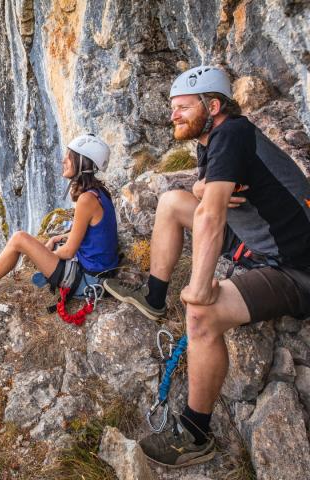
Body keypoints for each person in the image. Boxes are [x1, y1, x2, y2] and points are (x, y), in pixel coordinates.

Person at [103, 65, 310, 468]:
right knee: (171, 202)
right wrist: (200, 187)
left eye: (182, 108)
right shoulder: (213, 139)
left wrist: (199, 288)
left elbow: (211, 217)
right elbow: (207, 191)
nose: (173, 115)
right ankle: (154, 295)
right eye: (172, 108)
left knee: (202, 315)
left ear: (212, 106)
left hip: (295, 266)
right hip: (259, 242)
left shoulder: (230, 134)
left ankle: (196, 434)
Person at [0, 134, 119, 303]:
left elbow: (68, 251)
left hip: (88, 282)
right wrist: (61, 238)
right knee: (52, 240)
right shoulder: (99, 192)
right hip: (100, 274)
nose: (63, 160)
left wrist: (44, 254)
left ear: (81, 162)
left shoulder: (86, 200)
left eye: (69, 157)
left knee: (19, 238)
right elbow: (95, 233)